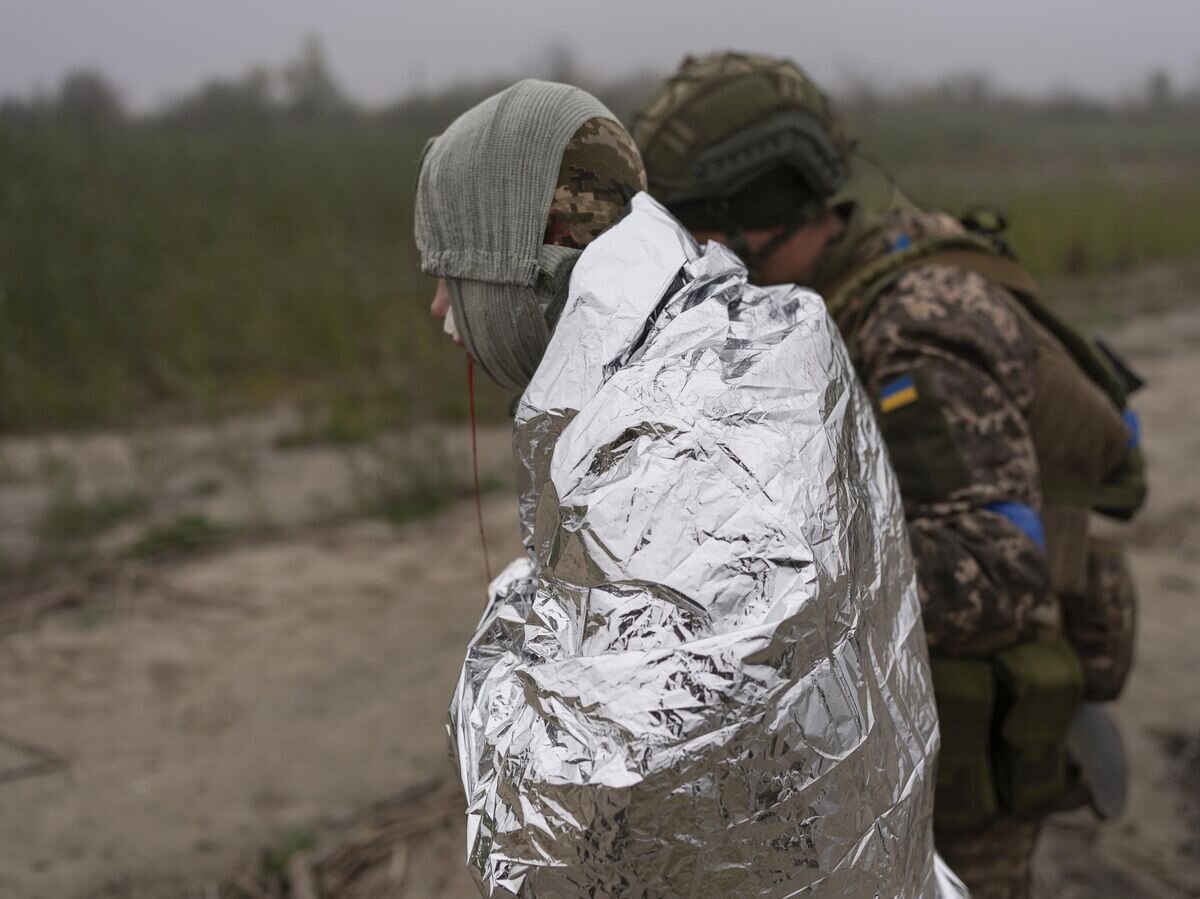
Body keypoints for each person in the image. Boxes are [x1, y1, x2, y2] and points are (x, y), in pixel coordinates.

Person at [415, 79, 964, 897]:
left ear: (552, 240)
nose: (438, 308)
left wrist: (496, 658)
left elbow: (606, 782)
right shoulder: (749, 332)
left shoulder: (673, 416)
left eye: (452, 270)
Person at [634, 51, 1146, 899]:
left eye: (696, 227)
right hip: (885, 749)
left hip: (957, 780)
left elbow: (995, 570)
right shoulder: (819, 300)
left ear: (756, 208)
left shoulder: (915, 326)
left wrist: (760, 595)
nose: (688, 256)